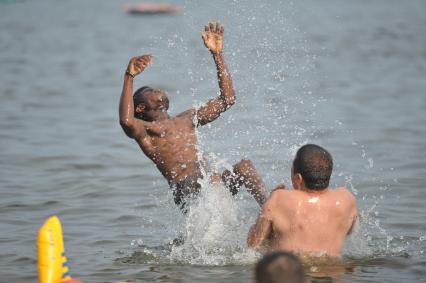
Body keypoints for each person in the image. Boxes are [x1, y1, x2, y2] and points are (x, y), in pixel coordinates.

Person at [119, 21, 267, 210]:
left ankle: (270, 211)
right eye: (149, 90)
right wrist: (129, 77)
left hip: (212, 188)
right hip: (188, 192)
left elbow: (227, 99)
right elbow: (126, 121)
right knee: (198, 179)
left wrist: (217, 54)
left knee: (244, 167)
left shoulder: (187, 119)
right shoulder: (147, 131)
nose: (156, 89)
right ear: (139, 108)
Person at [247, 144, 358, 257]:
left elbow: (253, 245)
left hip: (291, 271)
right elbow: (349, 231)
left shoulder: (279, 199)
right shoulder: (347, 199)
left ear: (298, 178)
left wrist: (268, 203)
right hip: (334, 272)